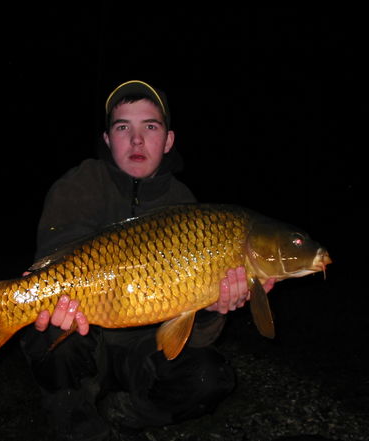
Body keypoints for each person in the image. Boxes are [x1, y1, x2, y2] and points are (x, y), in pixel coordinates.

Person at [20, 80, 274, 441]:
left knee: (208, 377)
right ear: (108, 140)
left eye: (149, 127)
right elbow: (57, 262)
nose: (136, 140)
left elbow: (192, 337)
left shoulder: (186, 205)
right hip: (85, 336)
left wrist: (213, 309)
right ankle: (78, 423)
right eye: (123, 127)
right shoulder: (78, 185)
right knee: (47, 335)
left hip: (144, 349)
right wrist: (44, 297)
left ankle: (127, 413)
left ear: (168, 140)